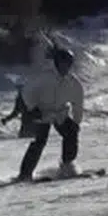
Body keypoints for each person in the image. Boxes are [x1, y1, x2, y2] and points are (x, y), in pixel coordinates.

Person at [16, 43, 86, 181]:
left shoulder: (73, 83)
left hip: (59, 113)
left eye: (68, 64)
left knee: (71, 132)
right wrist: (32, 108)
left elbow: (78, 104)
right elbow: (26, 92)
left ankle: (67, 166)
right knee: (39, 141)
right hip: (41, 112)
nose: (65, 67)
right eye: (62, 63)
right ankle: (25, 174)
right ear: (56, 62)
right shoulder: (44, 76)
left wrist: (76, 122)